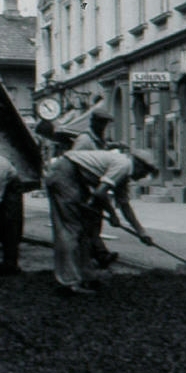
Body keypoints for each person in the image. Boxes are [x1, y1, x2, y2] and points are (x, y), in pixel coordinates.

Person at [44, 147, 156, 295]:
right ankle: (69, 282)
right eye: (145, 172)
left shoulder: (123, 174)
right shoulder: (123, 166)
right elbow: (100, 193)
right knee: (70, 229)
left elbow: (124, 205)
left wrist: (141, 232)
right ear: (139, 165)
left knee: (85, 230)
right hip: (64, 174)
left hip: (75, 177)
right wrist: (112, 215)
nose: (143, 177)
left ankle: (85, 275)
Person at [69, 108, 120, 269]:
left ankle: (96, 254)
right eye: (101, 123)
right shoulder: (84, 140)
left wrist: (113, 145)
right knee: (88, 223)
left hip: (95, 185)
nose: (103, 127)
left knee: (94, 223)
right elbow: (74, 160)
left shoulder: (98, 139)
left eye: (105, 124)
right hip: (84, 186)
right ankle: (98, 255)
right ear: (93, 122)